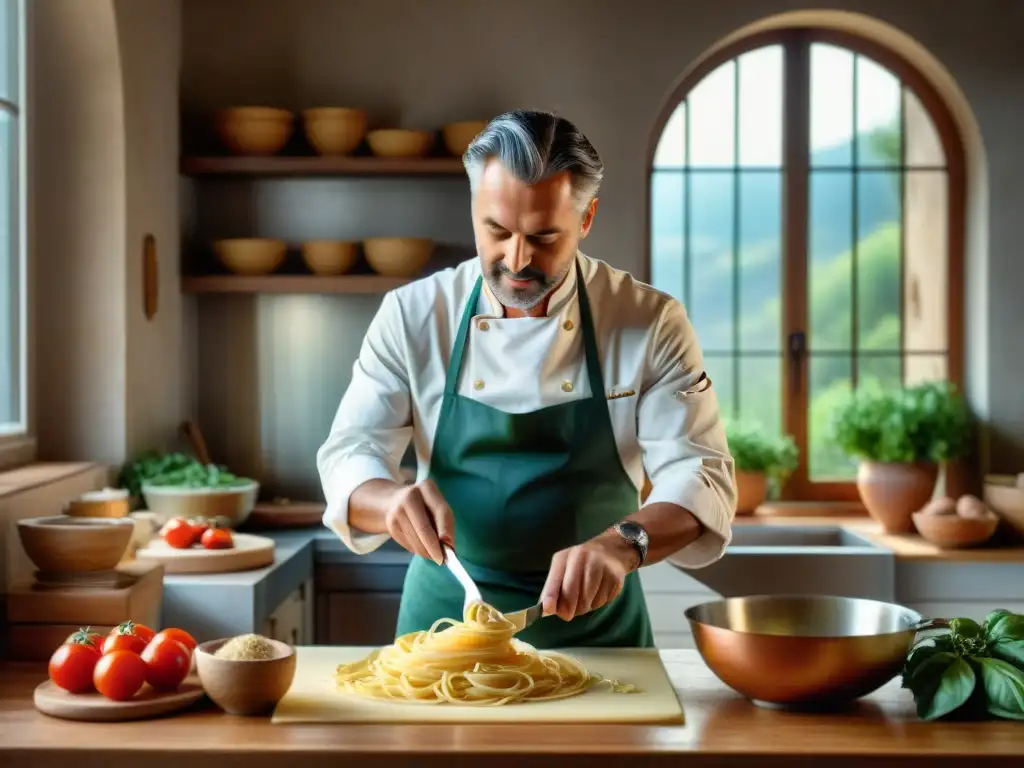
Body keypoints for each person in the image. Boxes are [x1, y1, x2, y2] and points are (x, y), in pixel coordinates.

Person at [317, 109, 736, 649]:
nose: (517, 259)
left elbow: (701, 474)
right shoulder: (413, 316)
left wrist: (623, 543)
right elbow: (350, 452)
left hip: (598, 637)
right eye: (497, 231)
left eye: (543, 237)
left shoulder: (648, 323)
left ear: (586, 221)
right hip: (442, 633)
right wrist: (390, 503)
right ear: (474, 208)